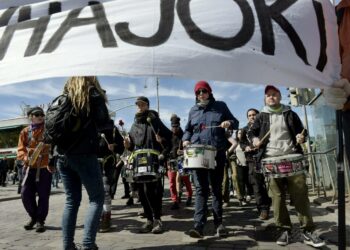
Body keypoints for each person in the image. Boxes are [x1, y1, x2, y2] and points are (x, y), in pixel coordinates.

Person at [248, 85, 325, 247]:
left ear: (279, 97)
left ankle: (308, 230)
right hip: (271, 160)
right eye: (268, 95)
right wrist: (255, 140)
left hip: (292, 158)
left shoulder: (290, 113)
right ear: (265, 98)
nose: (271, 97)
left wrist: (300, 137)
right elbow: (251, 133)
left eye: (274, 94)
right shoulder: (262, 116)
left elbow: (302, 132)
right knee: (277, 197)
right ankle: (284, 229)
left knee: (300, 195)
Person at [55, 76, 110, 250]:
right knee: (96, 198)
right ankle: (88, 244)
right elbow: (105, 124)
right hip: (84, 155)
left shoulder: (62, 98)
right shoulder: (91, 96)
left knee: (72, 201)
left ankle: (67, 245)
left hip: (62, 156)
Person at [182, 81, 239, 238]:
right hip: (197, 153)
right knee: (200, 189)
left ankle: (219, 224)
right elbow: (187, 130)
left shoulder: (221, 106)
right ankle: (198, 226)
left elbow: (236, 122)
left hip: (217, 153)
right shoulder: (193, 110)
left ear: (209, 92)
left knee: (215, 189)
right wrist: (186, 139)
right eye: (198, 92)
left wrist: (229, 123)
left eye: (204, 91)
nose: (201, 94)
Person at [123, 96, 171, 234]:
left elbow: (169, 140)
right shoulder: (134, 125)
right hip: (138, 162)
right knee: (141, 193)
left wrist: (161, 141)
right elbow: (132, 147)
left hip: (154, 161)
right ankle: (149, 220)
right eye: (138, 105)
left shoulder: (155, 122)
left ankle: (157, 220)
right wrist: (127, 145)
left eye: (142, 104)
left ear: (147, 106)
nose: (140, 107)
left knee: (153, 191)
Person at [17, 106, 53, 233]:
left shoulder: (48, 129)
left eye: (42, 114)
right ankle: (33, 217)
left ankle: (40, 220)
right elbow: (20, 149)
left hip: (44, 167)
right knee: (25, 194)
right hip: (29, 167)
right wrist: (26, 157)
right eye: (37, 114)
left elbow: (54, 145)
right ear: (30, 117)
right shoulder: (25, 131)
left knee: (43, 195)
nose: (40, 116)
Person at [240, 108, 271, 220]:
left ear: (258, 116)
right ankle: (263, 209)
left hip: (266, 157)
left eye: (254, 115)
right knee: (257, 184)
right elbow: (242, 143)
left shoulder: (264, 127)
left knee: (272, 183)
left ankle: (270, 202)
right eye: (250, 115)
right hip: (252, 160)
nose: (252, 117)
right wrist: (246, 147)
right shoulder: (244, 129)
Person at [97, 119, 124, 233]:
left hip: (108, 164)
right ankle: (98, 216)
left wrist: (115, 147)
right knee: (95, 193)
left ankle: (106, 219)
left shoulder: (112, 129)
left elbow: (121, 147)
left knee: (106, 191)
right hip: (92, 164)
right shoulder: (90, 126)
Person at [167, 114, 193, 210]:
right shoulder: (168, 134)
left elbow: (190, 148)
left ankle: (189, 196)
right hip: (171, 160)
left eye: (176, 126)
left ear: (179, 125)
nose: (174, 128)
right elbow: (166, 147)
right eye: (173, 127)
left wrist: (183, 151)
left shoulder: (184, 135)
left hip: (182, 160)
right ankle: (175, 200)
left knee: (186, 180)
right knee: (171, 182)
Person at [234, 129, 254, 206]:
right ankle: (242, 198)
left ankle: (249, 194)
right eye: (238, 133)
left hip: (248, 164)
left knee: (248, 180)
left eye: (241, 133)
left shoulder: (246, 142)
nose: (240, 134)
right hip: (239, 164)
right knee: (241, 181)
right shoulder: (235, 143)